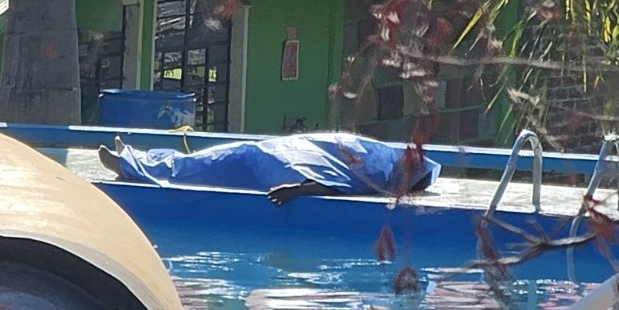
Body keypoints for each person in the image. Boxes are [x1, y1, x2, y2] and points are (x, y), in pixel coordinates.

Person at [97, 132, 441, 204]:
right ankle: (136, 160)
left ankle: (133, 165)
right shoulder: (381, 159)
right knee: (204, 163)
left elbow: (335, 183)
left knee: (202, 167)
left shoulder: (381, 171)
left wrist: (296, 190)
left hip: (274, 166)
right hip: (277, 156)